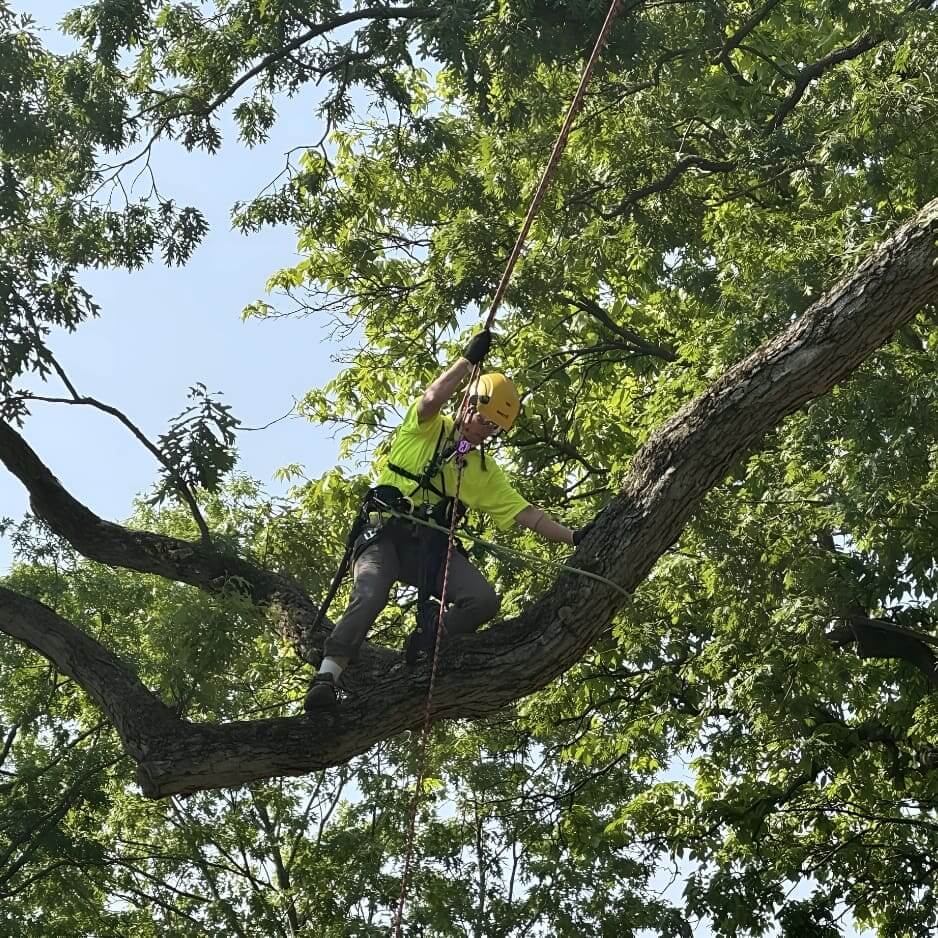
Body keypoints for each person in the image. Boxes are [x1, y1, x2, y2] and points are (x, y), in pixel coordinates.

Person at [305, 330, 591, 710]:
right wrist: (468, 361)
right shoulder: (425, 428)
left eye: (493, 427)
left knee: (483, 599)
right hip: (383, 535)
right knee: (371, 591)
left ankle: (427, 640)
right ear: (468, 403)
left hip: (430, 547)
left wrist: (575, 537)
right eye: (482, 418)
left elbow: (527, 514)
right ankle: (328, 674)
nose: (483, 430)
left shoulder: (480, 470)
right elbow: (431, 398)